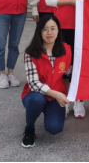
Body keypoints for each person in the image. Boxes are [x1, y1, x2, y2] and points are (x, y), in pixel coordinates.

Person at [21, 15, 72, 149]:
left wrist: (67, 95)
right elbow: (33, 83)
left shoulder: (66, 50)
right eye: (45, 29)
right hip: (34, 95)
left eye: (53, 28)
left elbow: (68, 74)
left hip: (55, 98)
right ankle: (29, 129)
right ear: (39, 32)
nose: (49, 33)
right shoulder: (30, 53)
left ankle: (49, 112)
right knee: (37, 100)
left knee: (54, 128)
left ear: (58, 30)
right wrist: (56, 94)